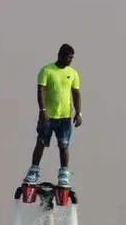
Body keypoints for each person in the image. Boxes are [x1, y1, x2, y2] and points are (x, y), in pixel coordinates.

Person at [23, 44, 82, 188]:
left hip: (65, 117)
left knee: (64, 145)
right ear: (60, 55)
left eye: (72, 58)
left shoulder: (73, 73)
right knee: (41, 142)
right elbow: (41, 91)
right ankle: (33, 171)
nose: (70, 60)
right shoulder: (47, 70)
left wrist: (78, 112)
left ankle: (64, 174)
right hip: (48, 116)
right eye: (68, 57)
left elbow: (76, 93)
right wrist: (42, 110)